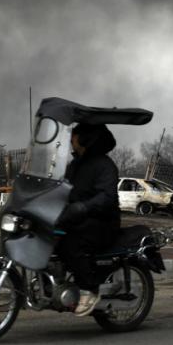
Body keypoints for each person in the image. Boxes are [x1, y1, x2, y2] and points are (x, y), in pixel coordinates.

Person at [56, 122, 120, 316]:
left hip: (102, 222)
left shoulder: (105, 165)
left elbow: (107, 197)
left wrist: (83, 206)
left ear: (86, 139)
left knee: (71, 242)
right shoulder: (76, 165)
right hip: (77, 218)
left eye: (74, 136)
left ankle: (88, 290)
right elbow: (63, 188)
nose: (71, 139)